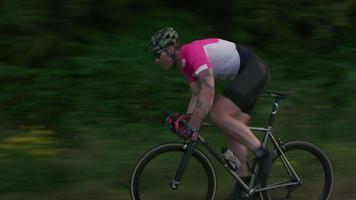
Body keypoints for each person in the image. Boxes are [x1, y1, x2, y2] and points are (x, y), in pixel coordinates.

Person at [149, 27, 273, 199]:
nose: (156, 60)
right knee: (232, 131)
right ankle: (244, 186)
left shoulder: (192, 52)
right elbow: (196, 94)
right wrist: (188, 119)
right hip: (245, 76)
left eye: (157, 54)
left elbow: (208, 92)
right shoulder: (184, 64)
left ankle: (264, 154)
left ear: (170, 50)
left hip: (253, 70)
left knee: (218, 114)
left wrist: (193, 126)